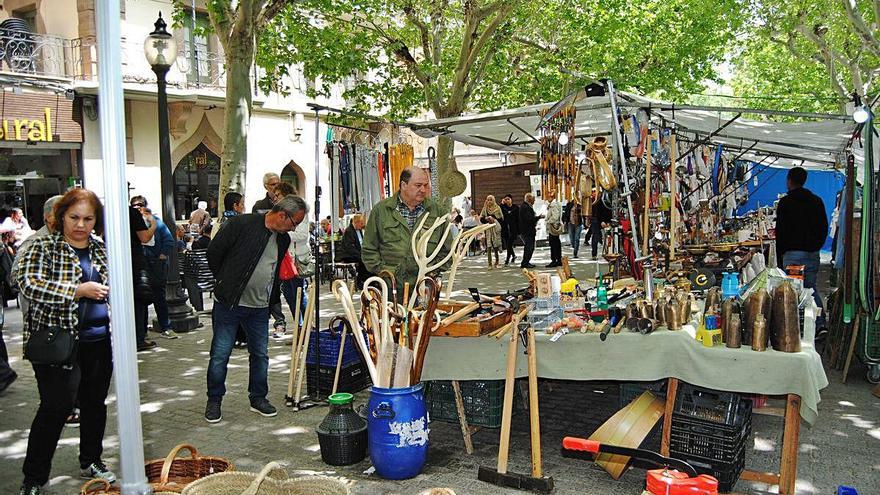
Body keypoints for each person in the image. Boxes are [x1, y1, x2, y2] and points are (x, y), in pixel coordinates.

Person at [14, 188, 115, 494]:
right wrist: (77, 290)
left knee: (95, 404)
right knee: (55, 408)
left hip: (97, 340)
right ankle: (33, 478)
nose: (80, 224)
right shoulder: (41, 244)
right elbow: (28, 283)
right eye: (74, 217)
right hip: (56, 342)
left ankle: (91, 459)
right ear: (60, 217)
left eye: (88, 218)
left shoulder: (99, 247)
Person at [204, 195, 307, 423]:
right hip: (229, 304)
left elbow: (274, 269)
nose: (295, 228)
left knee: (260, 355)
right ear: (282, 215)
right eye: (294, 223)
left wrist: (271, 300)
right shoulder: (242, 224)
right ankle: (214, 401)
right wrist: (224, 282)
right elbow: (214, 253)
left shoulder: (282, 240)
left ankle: (258, 397)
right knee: (220, 355)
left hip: (259, 307)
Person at [362, 166, 449, 296]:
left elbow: (448, 250)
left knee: (424, 316)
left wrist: (431, 272)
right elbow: (369, 249)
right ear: (403, 185)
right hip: (390, 288)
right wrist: (383, 271)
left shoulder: (437, 212)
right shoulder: (381, 211)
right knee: (391, 316)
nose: (423, 190)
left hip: (425, 286)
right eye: (418, 185)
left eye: (426, 185)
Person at [775, 166, 829, 331]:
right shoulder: (816, 201)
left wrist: (780, 257)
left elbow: (781, 232)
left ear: (789, 181)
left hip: (793, 256)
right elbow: (823, 228)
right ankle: (819, 323)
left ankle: (796, 327)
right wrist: (816, 246)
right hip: (812, 254)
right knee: (810, 289)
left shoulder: (785, 203)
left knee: (793, 292)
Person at [130, 197, 178, 341]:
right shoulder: (131, 222)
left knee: (159, 297)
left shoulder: (156, 221)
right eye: (134, 206)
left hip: (154, 264)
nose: (138, 208)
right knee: (141, 298)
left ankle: (166, 327)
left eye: (141, 205)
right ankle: (141, 333)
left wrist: (161, 255)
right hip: (139, 265)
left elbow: (169, 240)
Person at [127, 198, 158, 351]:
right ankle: (139, 337)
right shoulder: (132, 214)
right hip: (135, 262)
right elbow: (145, 237)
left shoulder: (107, 212)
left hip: (116, 262)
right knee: (140, 299)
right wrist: (153, 225)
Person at [337, 213, 369, 288]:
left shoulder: (359, 230)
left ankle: (367, 280)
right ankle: (361, 280)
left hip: (358, 253)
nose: (362, 225)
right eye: (361, 223)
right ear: (356, 222)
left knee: (368, 260)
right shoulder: (349, 231)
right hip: (348, 255)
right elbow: (349, 248)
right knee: (363, 261)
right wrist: (360, 255)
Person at [518, 193, 542, 269]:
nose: (534, 201)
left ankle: (526, 262)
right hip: (527, 231)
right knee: (529, 247)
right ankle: (525, 263)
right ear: (529, 199)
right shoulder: (525, 207)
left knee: (530, 247)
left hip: (528, 230)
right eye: (533, 199)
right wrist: (538, 217)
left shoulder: (526, 206)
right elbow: (529, 219)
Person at [585, 193, 612, 259]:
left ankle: (607, 253)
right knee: (596, 237)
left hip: (600, 220)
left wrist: (608, 221)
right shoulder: (599, 201)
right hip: (597, 220)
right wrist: (603, 221)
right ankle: (594, 254)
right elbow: (598, 212)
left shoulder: (602, 199)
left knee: (599, 237)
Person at [480, 195, 504, 269]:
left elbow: (501, 219)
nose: (489, 201)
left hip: (495, 229)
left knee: (495, 245)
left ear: (493, 200)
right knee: (489, 246)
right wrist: (486, 219)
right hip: (488, 229)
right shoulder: (485, 209)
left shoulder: (497, 208)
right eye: (488, 199)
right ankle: (489, 263)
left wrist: (494, 219)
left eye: (491, 200)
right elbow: (481, 218)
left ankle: (497, 261)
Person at [545, 190, 564, 268]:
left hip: (553, 227)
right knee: (556, 244)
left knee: (553, 244)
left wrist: (548, 221)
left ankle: (555, 260)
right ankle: (558, 260)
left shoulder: (554, 205)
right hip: (554, 226)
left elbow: (555, 216)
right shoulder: (555, 204)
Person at [500, 194, 519, 266]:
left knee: (509, 244)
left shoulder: (516, 207)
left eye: (508, 199)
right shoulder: (503, 207)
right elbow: (500, 212)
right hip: (505, 228)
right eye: (506, 199)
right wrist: (502, 203)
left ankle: (507, 259)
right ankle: (513, 256)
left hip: (513, 229)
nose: (507, 200)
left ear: (511, 199)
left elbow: (517, 218)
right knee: (508, 244)